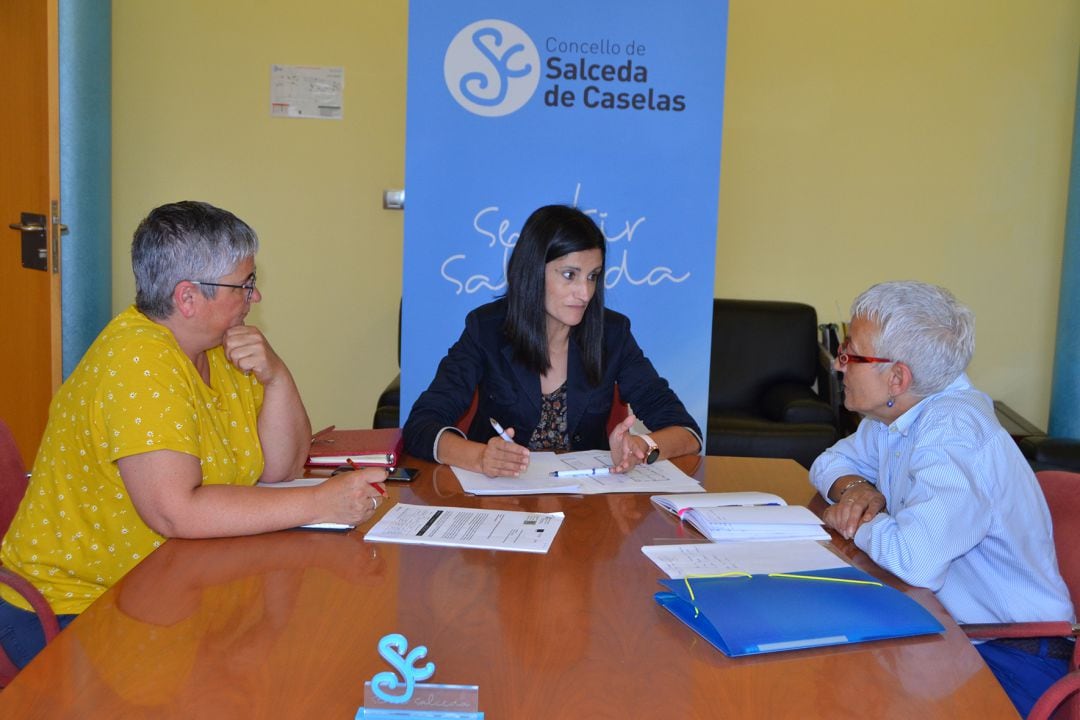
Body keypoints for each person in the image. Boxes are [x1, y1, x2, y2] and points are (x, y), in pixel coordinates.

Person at [0, 201, 386, 668]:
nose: (254, 297)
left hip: (168, 589)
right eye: (244, 285)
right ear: (187, 298)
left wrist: (277, 377)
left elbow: (280, 468)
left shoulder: (220, 348)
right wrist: (320, 503)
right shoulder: (138, 363)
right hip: (75, 604)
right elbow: (176, 511)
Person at [809, 280, 1074, 718]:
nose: (839, 366)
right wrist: (859, 489)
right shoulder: (897, 411)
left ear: (897, 376)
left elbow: (917, 561)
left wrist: (857, 519)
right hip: (948, 628)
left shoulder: (953, 433)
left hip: (1010, 653)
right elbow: (829, 462)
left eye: (850, 354)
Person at [403, 204, 701, 477]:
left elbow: (687, 431)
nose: (585, 293)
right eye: (570, 275)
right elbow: (421, 425)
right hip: (501, 502)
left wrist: (643, 446)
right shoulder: (486, 329)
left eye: (593, 276)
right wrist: (480, 457)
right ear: (533, 272)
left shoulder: (613, 333)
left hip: (584, 506)